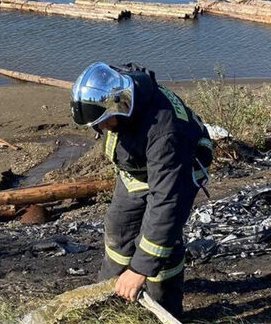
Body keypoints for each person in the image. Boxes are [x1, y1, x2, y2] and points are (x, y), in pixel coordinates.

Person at [70, 62, 212, 317]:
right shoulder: (122, 86)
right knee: (119, 228)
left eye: (103, 122)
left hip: (178, 172)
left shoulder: (166, 134)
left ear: (119, 105)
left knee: (161, 242)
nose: (101, 129)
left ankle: (163, 307)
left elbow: (167, 204)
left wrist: (139, 270)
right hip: (137, 170)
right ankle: (112, 292)